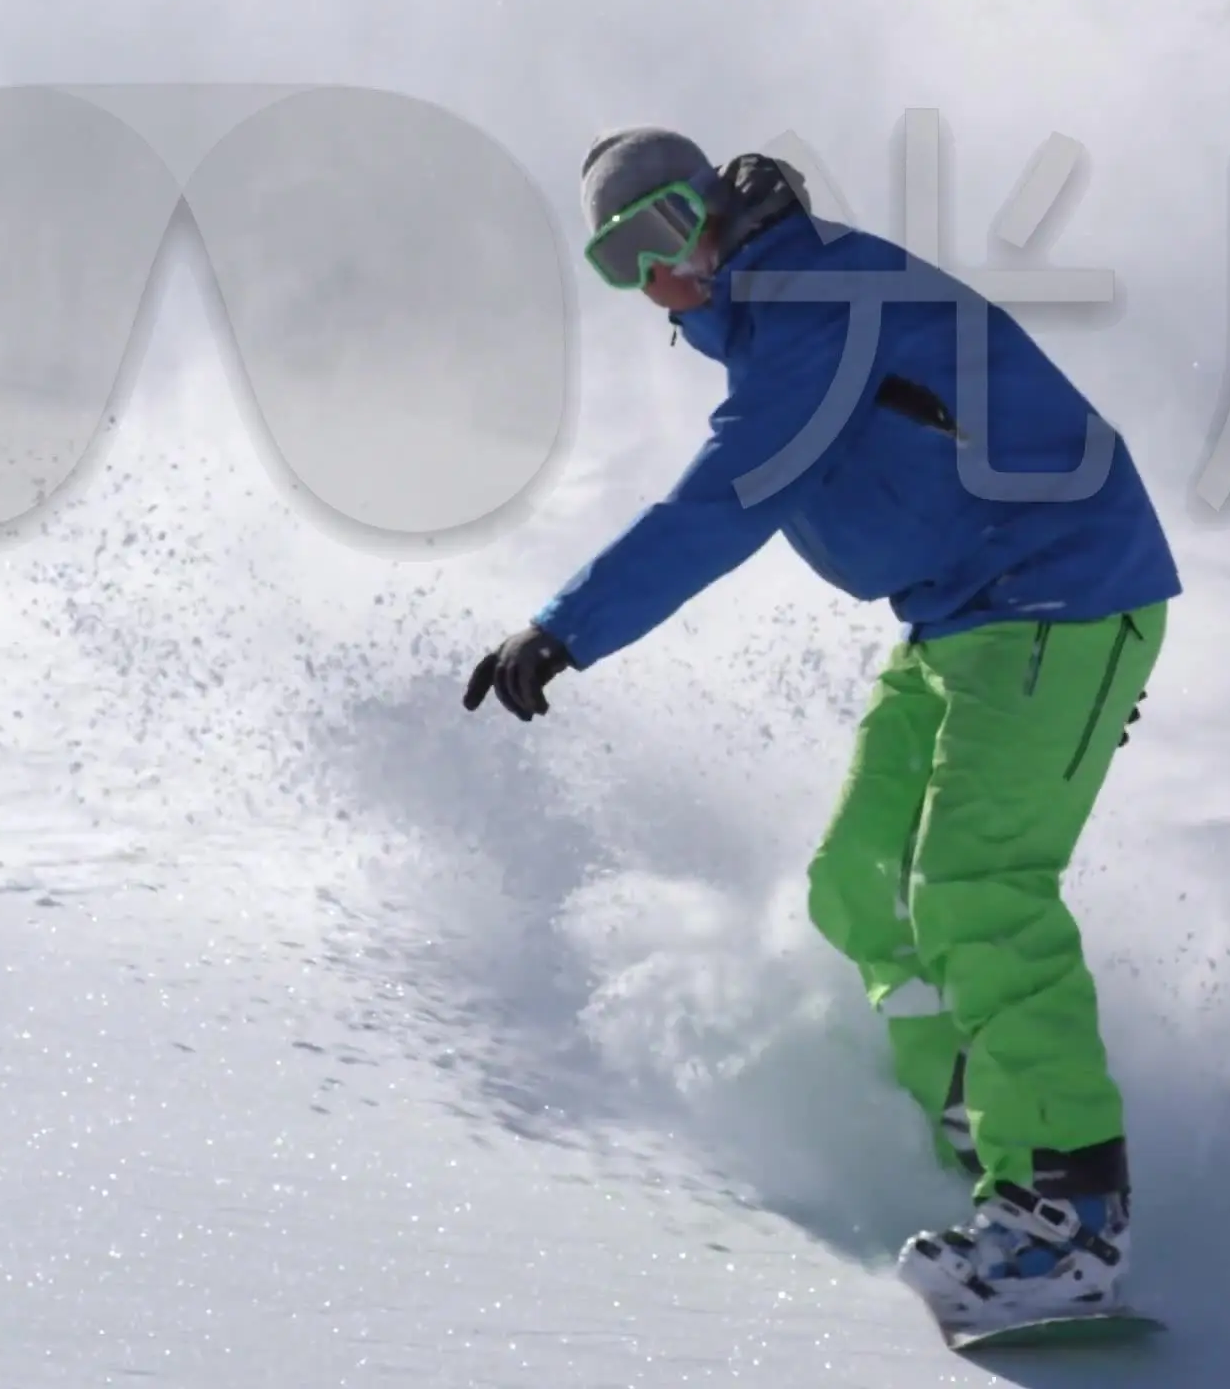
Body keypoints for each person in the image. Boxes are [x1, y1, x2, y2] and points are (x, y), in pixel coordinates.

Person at [461, 127, 1182, 1334]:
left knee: (976, 891)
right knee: (858, 881)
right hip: (964, 617)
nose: (655, 277)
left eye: (658, 234)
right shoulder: (778, 321)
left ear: (717, 208)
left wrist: (564, 628)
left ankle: (1068, 1218)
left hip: (1064, 593)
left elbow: (730, 495)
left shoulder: (815, 297)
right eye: (618, 264)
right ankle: (978, 1110)